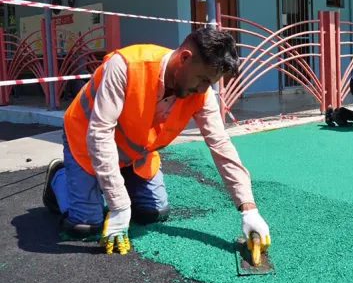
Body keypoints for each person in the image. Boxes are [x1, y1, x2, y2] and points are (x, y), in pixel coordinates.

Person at [41, 27, 271, 255]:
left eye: (209, 83)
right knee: (85, 225)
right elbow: (100, 134)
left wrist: (248, 209)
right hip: (86, 141)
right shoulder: (125, 66)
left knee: (154, 213)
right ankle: (59, 177)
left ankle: (113, 180)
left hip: (135, 152)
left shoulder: (201, 93)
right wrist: (119, 206)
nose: (203, 89)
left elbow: (220, 144)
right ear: (184, 58)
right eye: (202, 79)